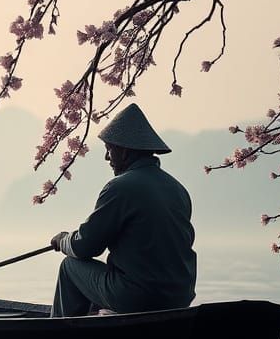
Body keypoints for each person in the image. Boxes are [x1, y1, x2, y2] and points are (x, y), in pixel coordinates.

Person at [49, 103, 197, 317]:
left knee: (70, 266)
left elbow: (86, 246)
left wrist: (63, 240)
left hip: (138, 296)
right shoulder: (178, 189)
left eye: (109, 150)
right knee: (100, 279)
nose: (107, 158)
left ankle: (59, 338)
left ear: (125, 151)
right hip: (179, 298)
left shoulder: (120, 187)